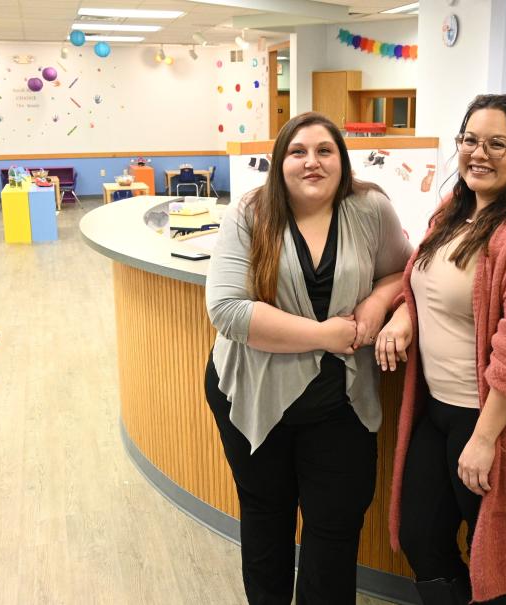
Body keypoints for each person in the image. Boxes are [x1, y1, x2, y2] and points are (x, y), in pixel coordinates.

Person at [204, 111, 413, 604]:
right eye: (298, 152)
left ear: (342, 160)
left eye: (325, 151)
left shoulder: (370, 208)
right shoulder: (249, 213)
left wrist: (380, 303)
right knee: (266, 520)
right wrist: (325, 334)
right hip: (254, 396)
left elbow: (403, 270)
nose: (311, 162)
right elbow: (227, 310)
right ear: (280, 163)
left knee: (334, 531)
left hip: (340, 406)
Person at [375, 94, 506, 604]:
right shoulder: (451, 213)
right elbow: (422, 285)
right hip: (437, 411)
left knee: (498, 562)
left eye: (497, 143)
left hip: (492, 422)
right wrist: (403, 313)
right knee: (422, 538)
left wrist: (485, 439)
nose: (478, 153)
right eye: (469, 140)